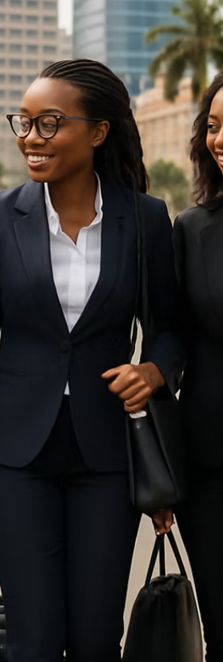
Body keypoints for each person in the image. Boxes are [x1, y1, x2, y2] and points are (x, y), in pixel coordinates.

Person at [0, 59, 183, 662]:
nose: (30, 137)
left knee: (97, 636)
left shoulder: (145, 218)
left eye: (49, 124)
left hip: (108, 453)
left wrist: (152, 371)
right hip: (13, 455)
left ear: (97, 133)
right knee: (34, 638)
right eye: (23, 123)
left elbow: (171, 331)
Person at [174, 71, 223, 662]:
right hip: (211, 469)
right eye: (212, 125)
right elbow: (173, 345)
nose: (219, 138)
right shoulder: (190, 230)